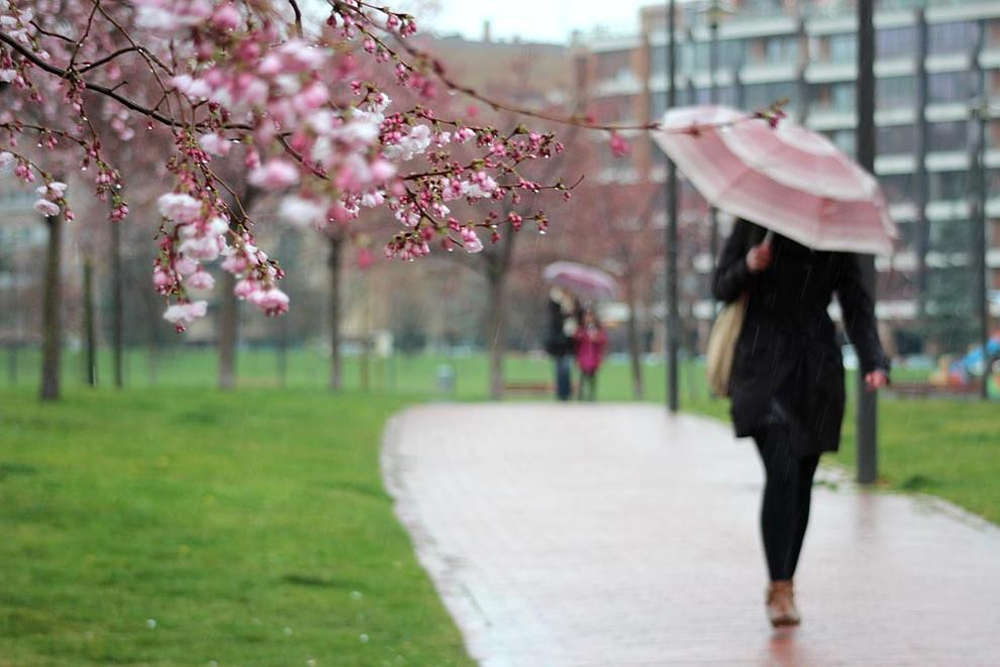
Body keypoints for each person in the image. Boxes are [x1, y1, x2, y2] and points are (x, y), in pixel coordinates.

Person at [713, 219, 890, 628]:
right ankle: (778, 586)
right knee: (782, 471)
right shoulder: (755, 223)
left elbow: (855, 301)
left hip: (815, 371)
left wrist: (873, 359)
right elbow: (720, 286)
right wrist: (748, 265)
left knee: (802, 479)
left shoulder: (833, 232)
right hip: (762, 367)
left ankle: (786, 580)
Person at [545, 287, 579, 401]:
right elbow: (555, 320)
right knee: (560, 368)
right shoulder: (555, 302)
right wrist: (566, 314)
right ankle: (561, 394)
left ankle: (566, 393)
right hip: (558, 343)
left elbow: (578, 317)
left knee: (566, 368)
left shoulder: (573, 302)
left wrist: (572, 310)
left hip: (569, 343)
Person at [574, 308, 607, 401]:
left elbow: (603, 341)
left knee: (593, 375)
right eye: (586, 316)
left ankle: (592, 395)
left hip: (594, 356)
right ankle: (581, 394)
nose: (588, 318)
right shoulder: (581, 329)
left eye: (590, 316)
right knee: (583, 375)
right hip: (584, 356)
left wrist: (596, 338)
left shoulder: (598, 329)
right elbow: (576, 342)